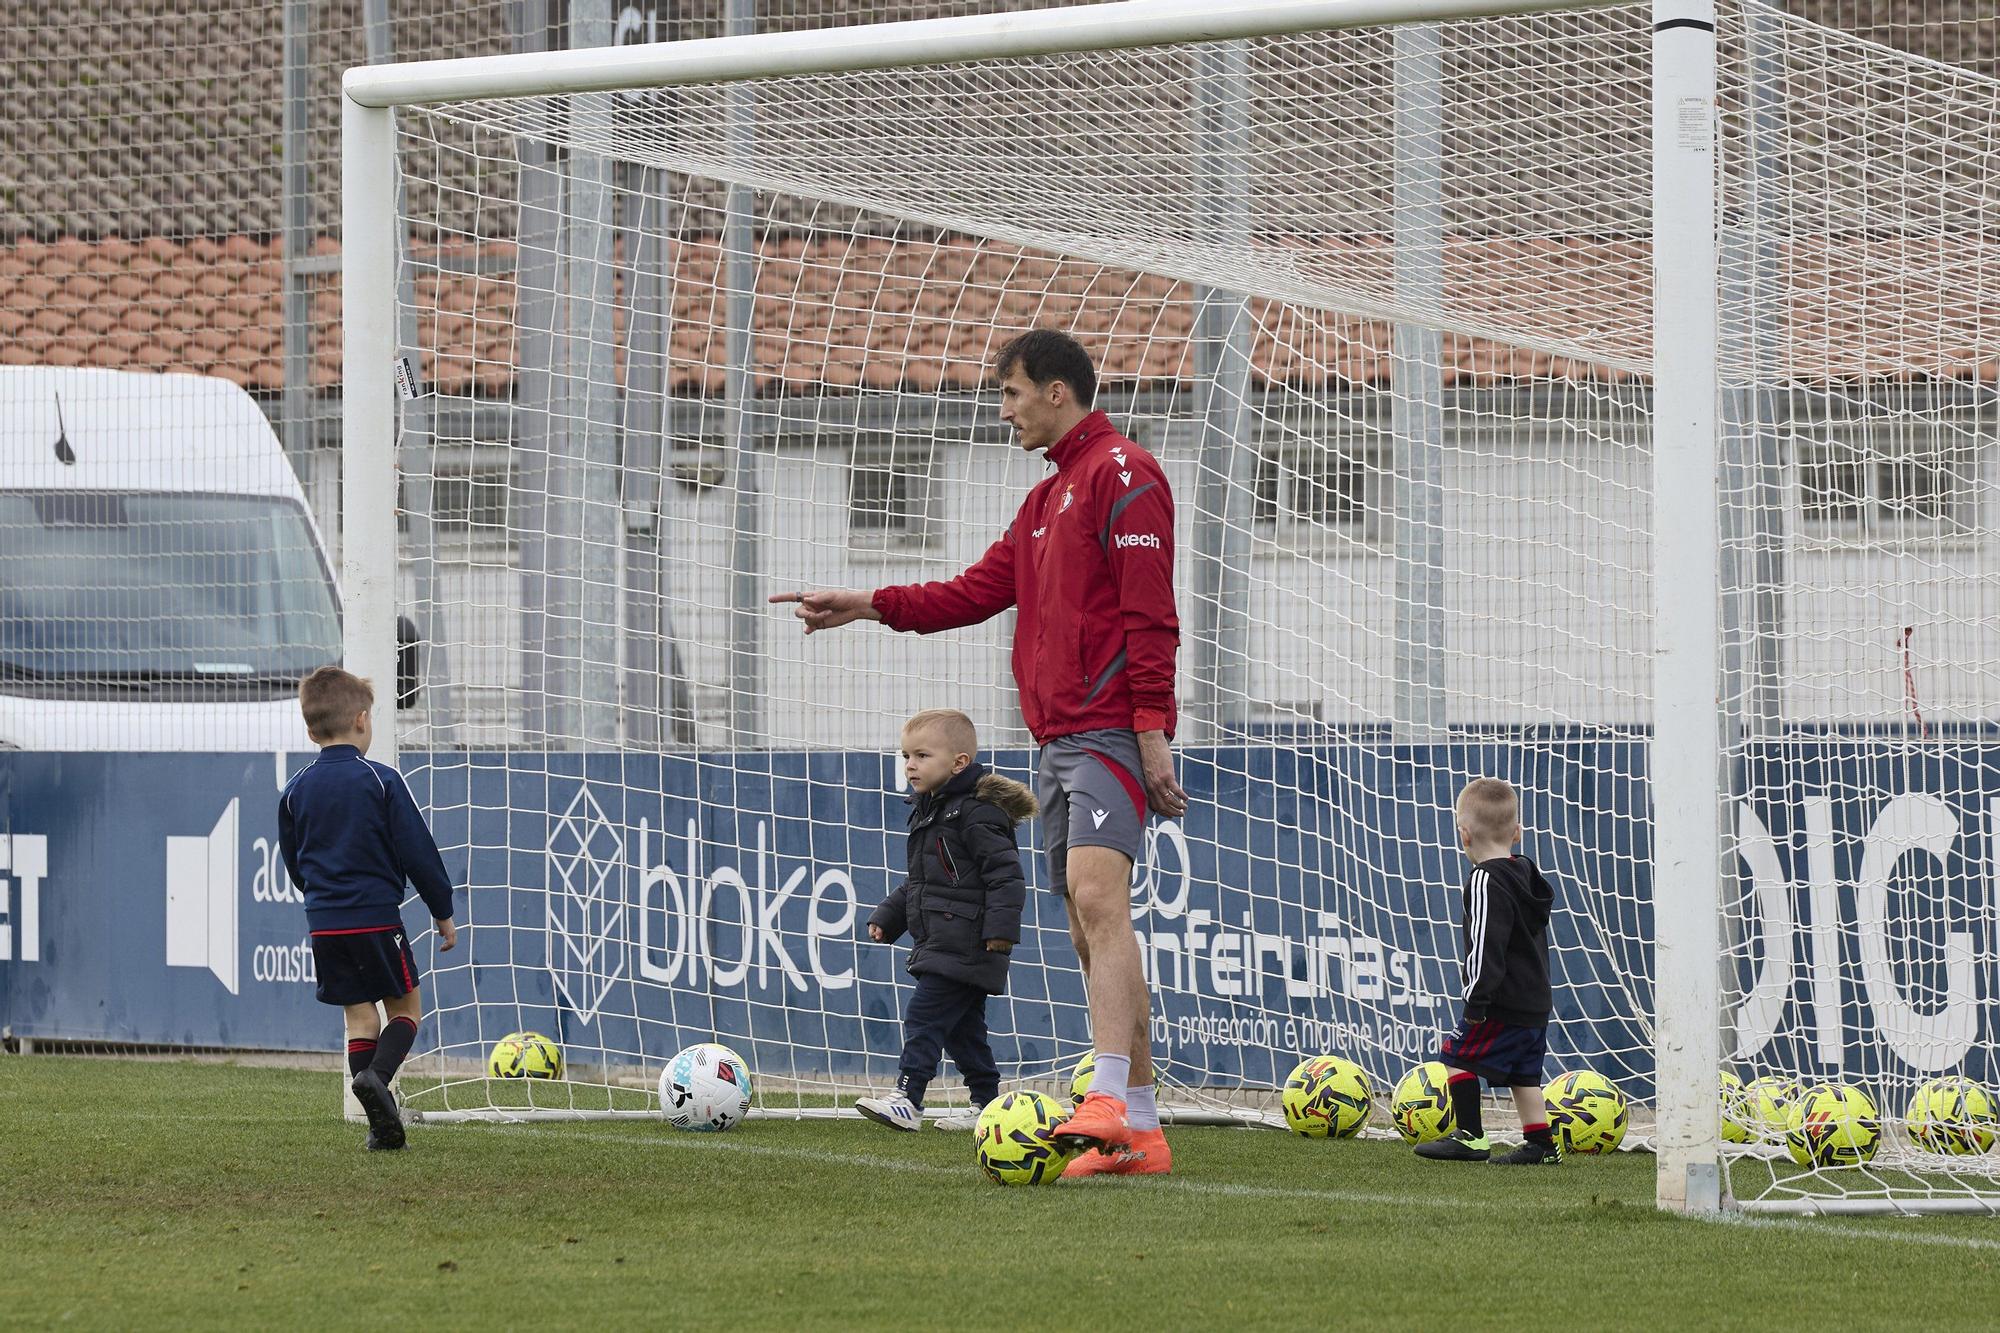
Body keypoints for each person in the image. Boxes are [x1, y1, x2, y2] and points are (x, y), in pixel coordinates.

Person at [772, 328, 1186, 1176]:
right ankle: (1139, 1128)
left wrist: (1152, 733)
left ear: (1057, 392)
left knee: (1098, 900)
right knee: (1085, 924)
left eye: (1010, 392)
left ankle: (1105, 1095)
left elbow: (1153, 617)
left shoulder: (1124, 474)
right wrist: (864, 602)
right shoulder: (1041, 506)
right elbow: (967, 593)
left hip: (1108, 730)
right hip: (1057, 740)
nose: (1003, 411)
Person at [278, 666, 458, 1151]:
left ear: (312, 731)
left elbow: (294, 859)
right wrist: (442, 909)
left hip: (325, 925)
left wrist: (320, 899)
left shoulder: (296, 789)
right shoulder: (381, 781)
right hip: (377, 918)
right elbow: (417, 850)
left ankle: (382, 1126)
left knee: (359, 1020)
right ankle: (377, 1077)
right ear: (361, 720)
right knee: (406, 1011)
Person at [857, 709, 1036, 1133]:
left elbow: (1006, 877)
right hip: (943, 941)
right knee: (963, 1033)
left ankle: (908, 1097)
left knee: (924, 1017)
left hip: (967, 942)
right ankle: (989, 1106)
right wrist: (890, 916)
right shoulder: (929, 811)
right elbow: (921, 883)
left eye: (922, 755)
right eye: (906, 755)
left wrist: (999, 933)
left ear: (958, 763)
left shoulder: (976, 812)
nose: (911, 765)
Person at [1415, 776, 1560, 1166]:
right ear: (1517, 833)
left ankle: (1471, 1137)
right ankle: (1541, 1144)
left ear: (1464, 834)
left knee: (1455, 1055)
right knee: (1523, 1075)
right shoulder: (1525, 873)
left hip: (1499, 1000)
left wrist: (1475, 1001)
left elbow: (1485, 945)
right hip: (1535, 1002)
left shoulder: (1484, 880)